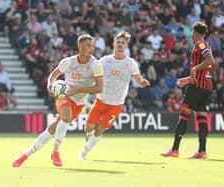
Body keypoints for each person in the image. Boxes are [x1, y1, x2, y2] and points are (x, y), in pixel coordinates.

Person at [12, 34, 103, 167]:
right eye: (88, 45)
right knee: (65, 118)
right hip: (65, 94)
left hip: (80, 101)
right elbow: (53, 75)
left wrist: (77, 89)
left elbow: (99, 88)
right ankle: (55, 152)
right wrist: (50, 85)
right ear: (80, 47)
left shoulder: (96, 65)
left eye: (92, 45)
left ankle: (26, 154)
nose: (91, 48)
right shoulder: (68, 62)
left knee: (52, 129)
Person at [78, 31, 150, 160]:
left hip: (116, 104)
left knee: (100, 129)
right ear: (113, 43)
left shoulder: (131, 63)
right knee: (88, 128)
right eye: (118, 42)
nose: (120, 45)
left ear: (126, 45)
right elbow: (94, 72)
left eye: (123, 43)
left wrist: (143, 82)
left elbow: (139, 79)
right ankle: (89, 139)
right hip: (101, 100)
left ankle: (84, 152)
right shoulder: (105, 60)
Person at [161, 22, 215, 159]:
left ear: (196, 32)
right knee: (202, 118)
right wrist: (187, 79)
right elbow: (204, 68)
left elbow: (210, 60)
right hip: (206, 87)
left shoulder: (200, 44)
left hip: (196, 87)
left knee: (184, 115)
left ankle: (174, 149)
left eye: (192, 31)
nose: (191, 34)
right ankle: (202, 151)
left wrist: (194, 69)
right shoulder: (207, 45)